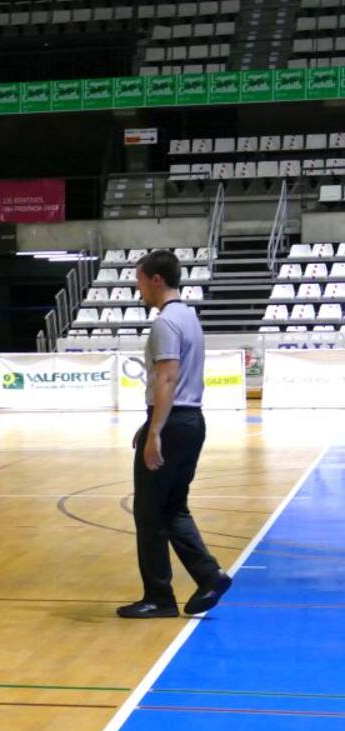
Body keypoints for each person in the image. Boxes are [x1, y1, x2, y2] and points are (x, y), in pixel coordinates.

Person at [117, 250, 232, 619]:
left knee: (148, 512)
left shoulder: (166, 323)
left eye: (139, 281)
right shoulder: (189, 317)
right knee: (172, 507)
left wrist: (155, 432)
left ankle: (159, 597)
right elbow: (177, 383)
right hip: (190, 421)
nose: (138, 290)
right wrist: (150, 422)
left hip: (173, 423)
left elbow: (168, 378)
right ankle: (209, 576)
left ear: (156, 280)